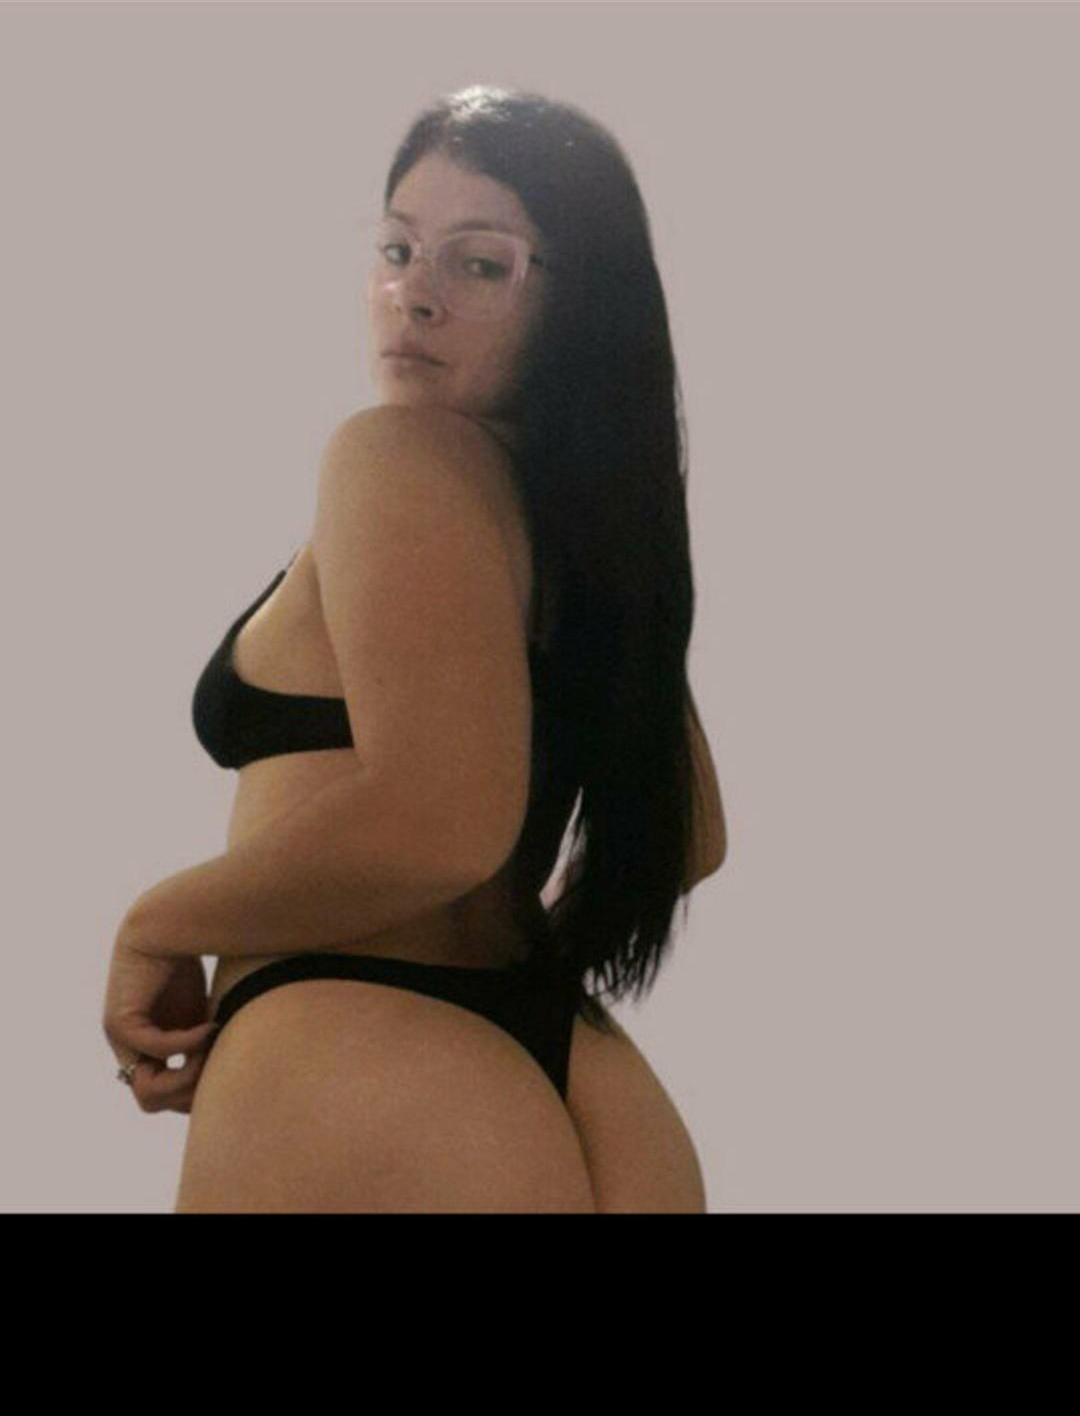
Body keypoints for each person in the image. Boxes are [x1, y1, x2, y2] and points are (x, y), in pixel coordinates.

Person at [103, 86, 727, 1212]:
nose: (414, 294)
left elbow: (441, 816)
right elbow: (690, 829)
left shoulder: (397, 456)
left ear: (579, 303)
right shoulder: (594, 534)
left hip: (353, 1039)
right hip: (582, 1078)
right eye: (397, 249)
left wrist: (158, 921)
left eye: (479, 264)